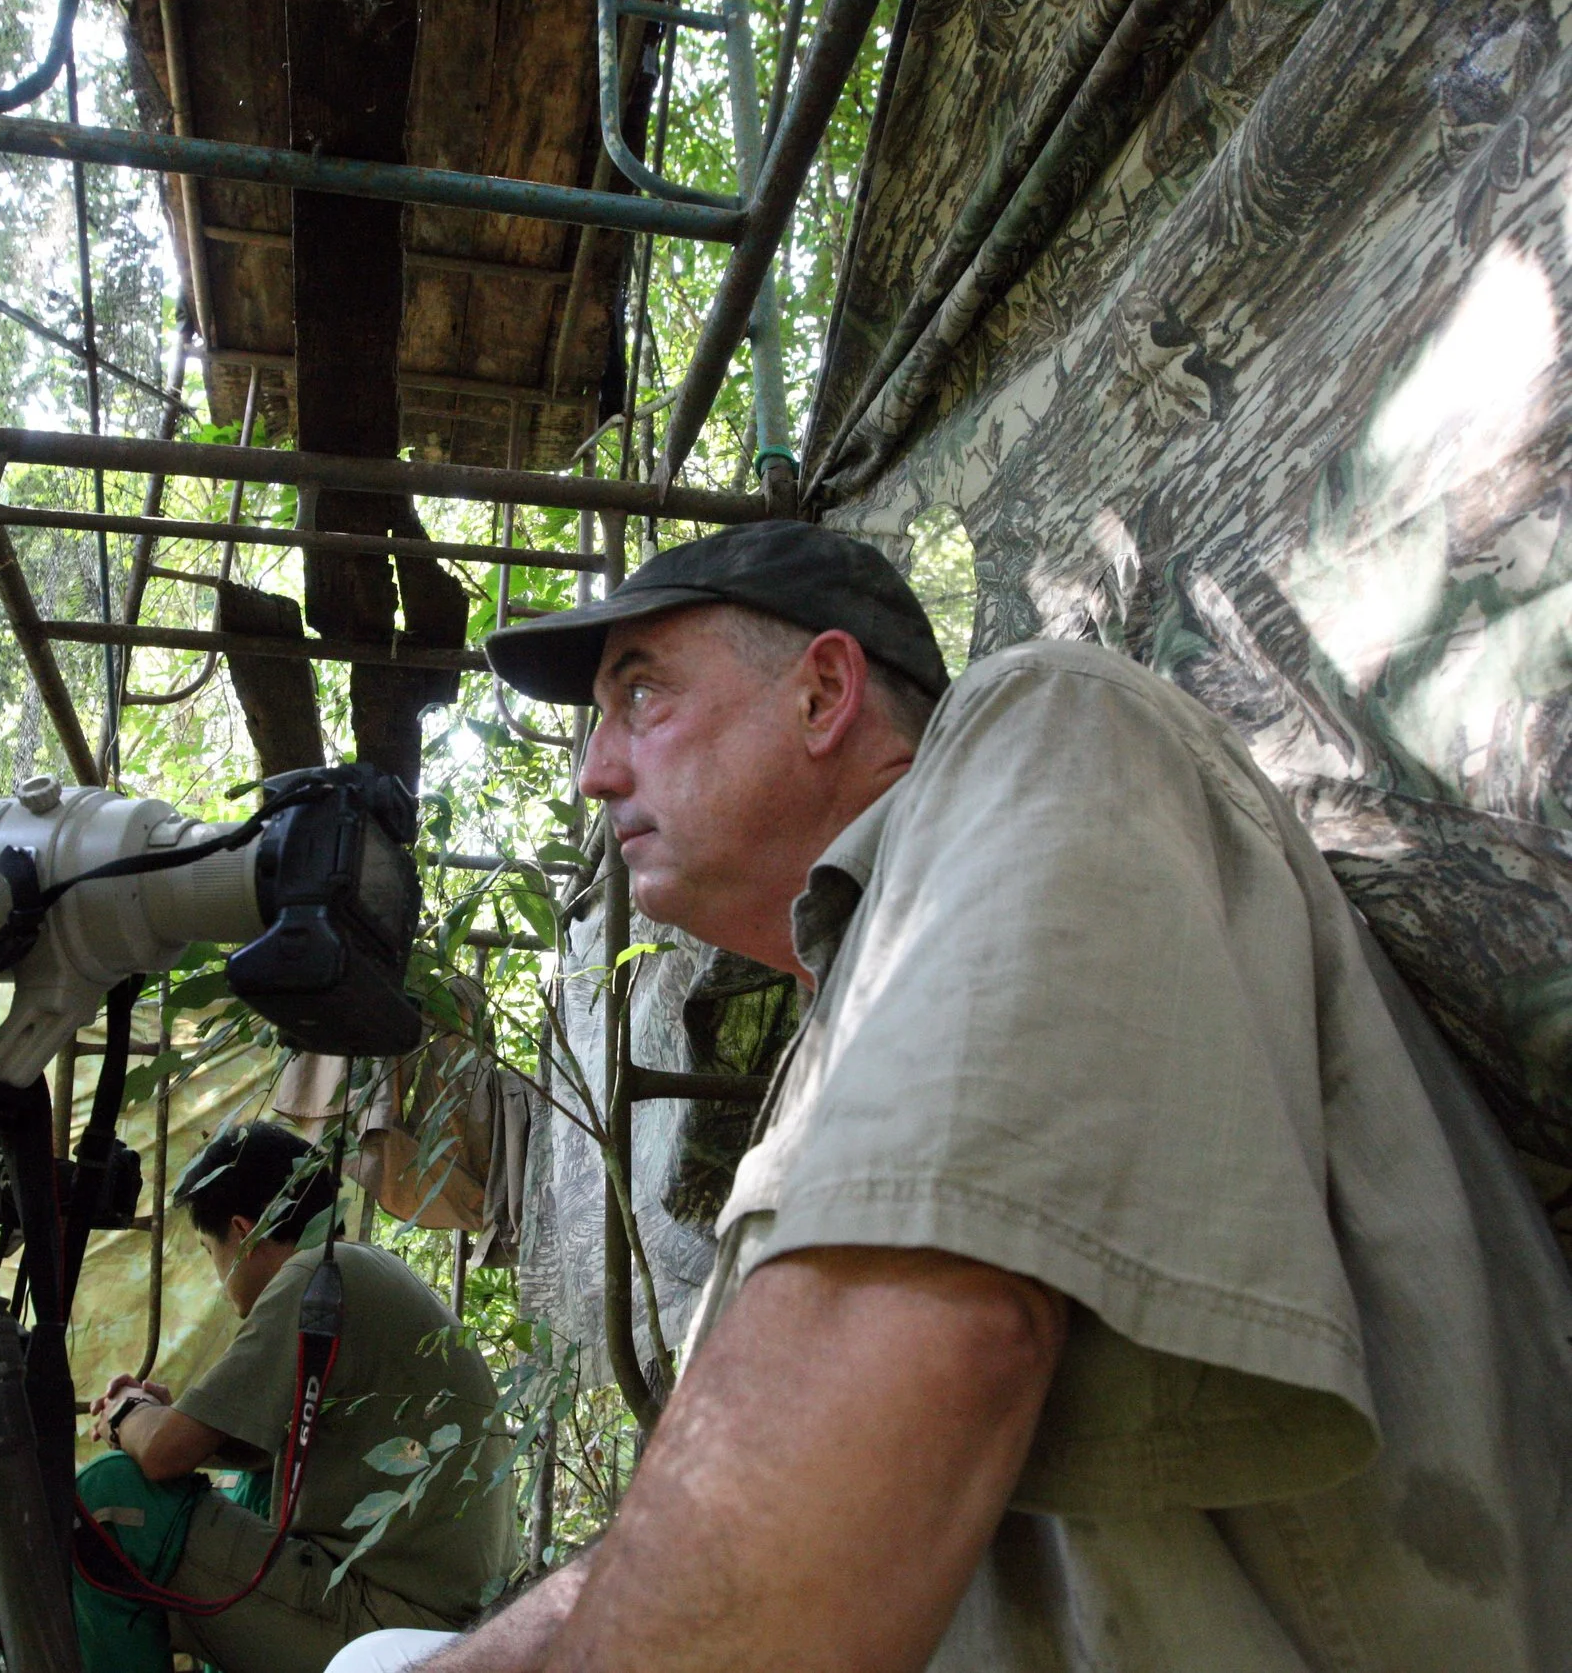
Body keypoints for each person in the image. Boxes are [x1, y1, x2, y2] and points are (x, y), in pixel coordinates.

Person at [356, 520, 1572, 1672]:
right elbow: (753, 1477)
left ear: (824, 693)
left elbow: (914, 1336)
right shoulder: (849, 1007)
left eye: (638, 693)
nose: (591, 773)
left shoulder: (1043, 719)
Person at [71, 1122, 517, 1673]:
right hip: (449, 1625)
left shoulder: (316, 1275)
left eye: (211, 1251)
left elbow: (164, 1453)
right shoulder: (366, 1269)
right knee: (260, 1481)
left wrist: (127, 1411)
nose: (217, 1274)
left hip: (390, 1625)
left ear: (243, 1232)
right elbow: (247, 1444)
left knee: (109, 1498)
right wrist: (173, 1418)